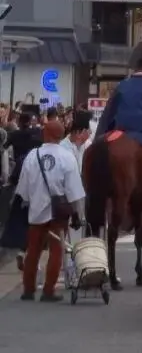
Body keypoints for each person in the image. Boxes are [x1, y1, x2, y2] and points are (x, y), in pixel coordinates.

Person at [15, 121, 86, 302]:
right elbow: (74, 190)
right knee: (56, 251)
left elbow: (23, 190)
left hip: (36, 211)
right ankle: (48, 290)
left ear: (45, 133)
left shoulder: (32, 156)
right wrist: (78, 213)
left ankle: (28, 290)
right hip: (58, 213)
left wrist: (33, 200)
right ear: (61, 135)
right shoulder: (67, 157)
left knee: (33, 250)